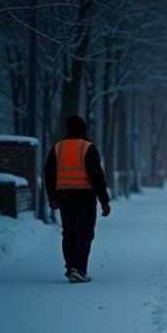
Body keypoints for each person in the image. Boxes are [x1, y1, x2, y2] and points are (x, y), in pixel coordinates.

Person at [44, 115, 111, 283]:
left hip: (64, 196)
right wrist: (104, 201)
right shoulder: (87, 147)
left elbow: (48, 173)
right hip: (85, 196)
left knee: (69, 233)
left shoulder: (57, 147)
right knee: (84, 233)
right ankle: (78, 269)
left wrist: (51, 196)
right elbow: (97, 176)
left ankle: (70, 268)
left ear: (67, 129)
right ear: (83, 129)